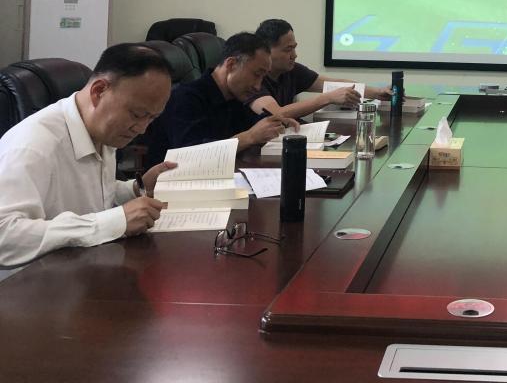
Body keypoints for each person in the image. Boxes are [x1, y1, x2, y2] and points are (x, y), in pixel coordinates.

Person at [0, 44, 179, 268]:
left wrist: (135, 188)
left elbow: (90, 196)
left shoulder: (103, 131)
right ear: (99, 91)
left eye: (151, 118)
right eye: (136, 114)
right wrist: (110, 223)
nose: (142, 129)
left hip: (85, 269)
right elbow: (4, 236)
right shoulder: (33, 145)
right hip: (35, 284)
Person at [145, 32, 298, 166]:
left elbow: (253, 124)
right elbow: (190, 154)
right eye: (256, 74)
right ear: (231, 64)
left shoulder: (234, 97)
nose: (258, 86)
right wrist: (250, 137)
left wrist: (275, 122)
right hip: (173, 184)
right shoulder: (185, 99)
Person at [248, 19, 390, 120]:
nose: (294, 55)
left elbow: (332, 83)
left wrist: (377, 92)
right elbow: (276, 114)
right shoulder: (254, 79)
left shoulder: (291, 70)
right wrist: (327, 98)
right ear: (267, 51)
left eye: (294, 48)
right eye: (288, 49)